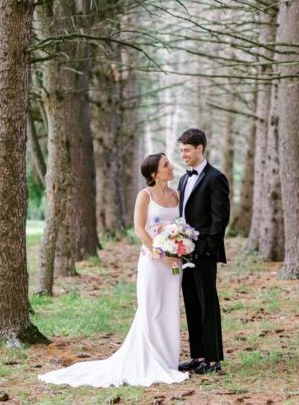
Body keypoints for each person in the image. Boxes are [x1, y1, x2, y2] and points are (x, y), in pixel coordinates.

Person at [37, 153, 189, 388]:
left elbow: (180, 226)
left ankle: (168, 360)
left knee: (169, 308)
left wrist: (178, 249)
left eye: (169, 164)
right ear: (154, 173)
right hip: (153, 262)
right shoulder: (145, 196)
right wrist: (160, 254)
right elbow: (140, 230)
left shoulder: (177, 195)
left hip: (174, 264)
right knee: (151, 309)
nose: (171, 167)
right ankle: (149, 359)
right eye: (165, 165)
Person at [176, 128, 229, 375]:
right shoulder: (183, 179)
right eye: (181, 150)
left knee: (208, 305)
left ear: (200, 148)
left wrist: (208, 250)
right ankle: (197, 356)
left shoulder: (216, 178)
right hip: (184, 252)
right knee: (192, 304)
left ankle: (213, 359)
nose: (183, 154)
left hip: (204, 254)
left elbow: (220, 219)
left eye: (187, 150)